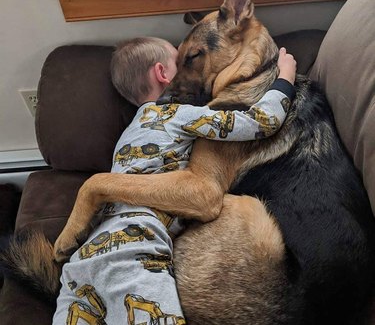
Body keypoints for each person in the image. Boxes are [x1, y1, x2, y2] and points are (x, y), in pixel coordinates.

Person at [53, 37, 296, 325]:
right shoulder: (177, 114)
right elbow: (262, 122)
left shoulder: (129, 135)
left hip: (83, 261)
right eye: (181, 64)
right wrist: (285, 78)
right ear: (163, 73)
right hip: (135, 248)